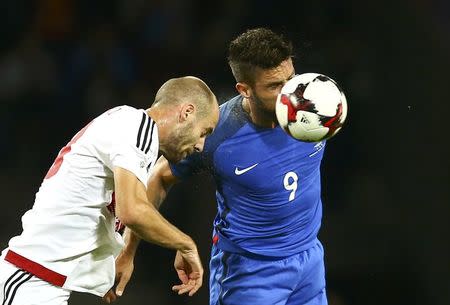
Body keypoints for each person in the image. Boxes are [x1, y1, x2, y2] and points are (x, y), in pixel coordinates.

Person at [117, 28, 331, 304]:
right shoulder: (217, 133)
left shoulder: (317, 103)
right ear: (245, 90)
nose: (290, 92)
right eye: (275, 86)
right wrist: (128, 251)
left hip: (310, 260)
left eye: (291, 79)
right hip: (250, 272)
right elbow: (159, 177)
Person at [0, 76, 219, 304]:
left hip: (39, 282)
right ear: (187, 112)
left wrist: (112, 261)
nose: (200, 146)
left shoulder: (133, 134)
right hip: (29, 280)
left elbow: (97, 207)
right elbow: (132, 210)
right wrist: (186, 244)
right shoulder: (137, 126)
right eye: (204, 132)